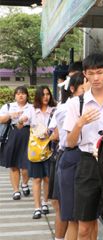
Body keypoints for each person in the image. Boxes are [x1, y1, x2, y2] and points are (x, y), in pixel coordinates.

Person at [63, 53, 103, 240]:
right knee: (84, 226)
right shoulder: (77, 103)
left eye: (99, 72)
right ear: (85, 74)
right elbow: (69, 142)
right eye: (91, 73)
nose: (95, 78)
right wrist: (79, 123)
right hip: (87, 164)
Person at [50, 72, 89, 240]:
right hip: (70, 157)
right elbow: (63, 137)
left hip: (80, 159)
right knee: (71, 214)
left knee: (83, 218)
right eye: (83, 87)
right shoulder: (67, 107)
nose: (88, 89)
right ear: (73, 89)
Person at [21, 86, 57, 219]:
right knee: (36, 178)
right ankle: (36, 207)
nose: (46, 97)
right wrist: (21, 120)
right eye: (43, 95)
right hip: (36, 149)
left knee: (47, 178)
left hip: (50, 148)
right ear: (38, 96)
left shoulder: (54, 109)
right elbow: (23, 120)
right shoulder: (32, 109)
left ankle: (45, 203)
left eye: (47, 94)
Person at [0, 86, 33, 200]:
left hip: (28, 135)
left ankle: (24, 183)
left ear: (27, 95)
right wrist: (10, 115)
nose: (21, 95)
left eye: (23, 93)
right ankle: (16, 190)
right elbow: (0, 119)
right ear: (15, 95)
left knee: (26, 164)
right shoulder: (8, 106)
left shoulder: (32, 107)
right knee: (13, 164)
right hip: (12, 134)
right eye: (18, 93)